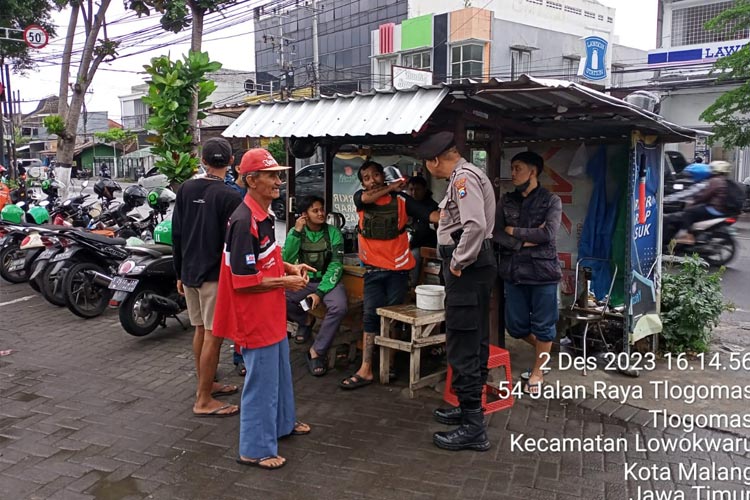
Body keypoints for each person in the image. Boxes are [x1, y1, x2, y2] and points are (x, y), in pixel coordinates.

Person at [213, 148, 313, 470]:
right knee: (261, 381)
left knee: (281, 373)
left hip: (271, 311)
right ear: (251, 180)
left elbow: (265, 258)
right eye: (272, 175)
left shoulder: (263, 215)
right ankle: (255, 448)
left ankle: (283, 425)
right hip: (254, 316)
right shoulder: (243, 221)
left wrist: (289, 266)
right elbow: (243, 280)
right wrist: (285, 282)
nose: (279, 181)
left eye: (278, 174)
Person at [414, 132, 497, 452]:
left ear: (435, 160)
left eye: (427, 163)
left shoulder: (463, 179)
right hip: (476, 267)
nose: (428, 169)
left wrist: (458, 262)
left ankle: (474, 427)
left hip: (469, 267)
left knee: (463, 342)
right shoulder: (467, 175)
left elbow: (474, 225)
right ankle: (467, 409)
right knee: (471, 339)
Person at [339, 161, 439, 390]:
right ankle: (366, 369)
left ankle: (390, 363)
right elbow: (366, 198)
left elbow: (431, 215)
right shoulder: (360, 199)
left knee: (392, 318)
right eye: (366, 177)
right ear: (362, 182)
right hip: (373, 270)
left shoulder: (402, 201)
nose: (372, 180)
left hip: (398, 270)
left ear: (382, 176)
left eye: (376, 175)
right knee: (370, 317)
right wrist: (392, 187)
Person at [172, 137, 244, 418]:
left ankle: (207, 382)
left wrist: (178, 272)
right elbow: (234, 242)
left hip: (189, 271)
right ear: (230, 162)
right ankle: (203, 399)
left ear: (202, 160)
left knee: (200, 330)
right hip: (214, 275)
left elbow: (176, 233)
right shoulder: (231, 196)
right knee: (214, 335)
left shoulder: (186, 188)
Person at [493, 151, 562, 397]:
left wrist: (515, 231)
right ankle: (546, 351)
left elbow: (547, 235)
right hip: (513, 273)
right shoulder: (506, 201)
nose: (513, 173)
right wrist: (521, 241)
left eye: (518, 168)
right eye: (512, 168)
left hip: (543, 273)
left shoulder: (551, 200)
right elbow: (497, 232)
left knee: (544, 327)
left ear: (533, 172)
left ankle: (538, 372)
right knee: (516, 327)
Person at [283, 195, 347, 377]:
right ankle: (305, 321)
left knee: (339, 307)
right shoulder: (297, 232)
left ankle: (317, 351)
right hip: (304, 280)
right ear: (304, 214)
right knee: (279, 297)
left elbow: (336, 265)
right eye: (315, 210)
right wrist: (296, 232)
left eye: (321, 209)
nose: (321, 213)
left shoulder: (333, 233)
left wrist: (320, 292)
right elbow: (286, 259)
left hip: (329, 281)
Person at [663, 160, 733, 245]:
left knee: (689, 212)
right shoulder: (724, 180)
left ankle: (686, 235)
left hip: (715, 208)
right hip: (720, 208)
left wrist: (694, 202)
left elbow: (705, 195)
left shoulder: (715, 181)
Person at [406, 175, 439, 284]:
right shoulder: (407, 205)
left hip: (427, 244)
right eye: (411, 189)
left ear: (425, 190)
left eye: (417, 189)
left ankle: (414, 286)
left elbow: (424, 231)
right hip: (409, 243)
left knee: (414, 254)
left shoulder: (432, 208)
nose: (414, 193)